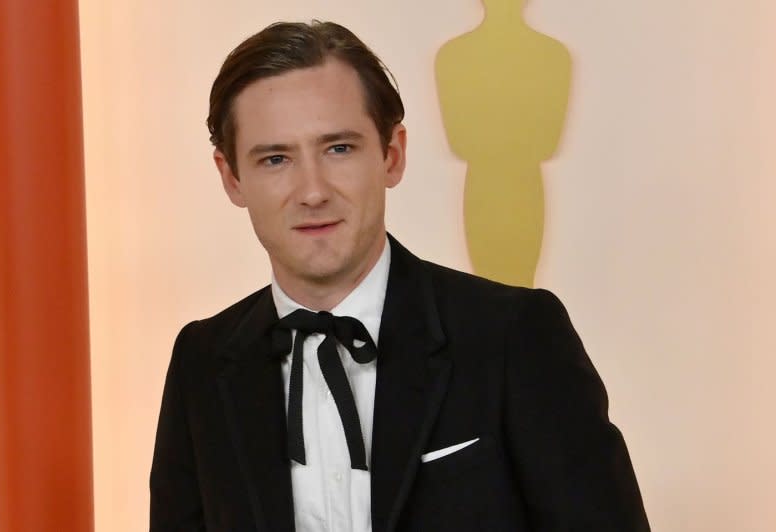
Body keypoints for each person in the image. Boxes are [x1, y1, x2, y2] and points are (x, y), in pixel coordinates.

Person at [150, 20, 650, 532]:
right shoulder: (202, 361)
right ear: (231, 178)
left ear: (392, 154)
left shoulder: (514, 334)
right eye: (275, 159)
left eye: (338, 149)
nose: (313, 190)